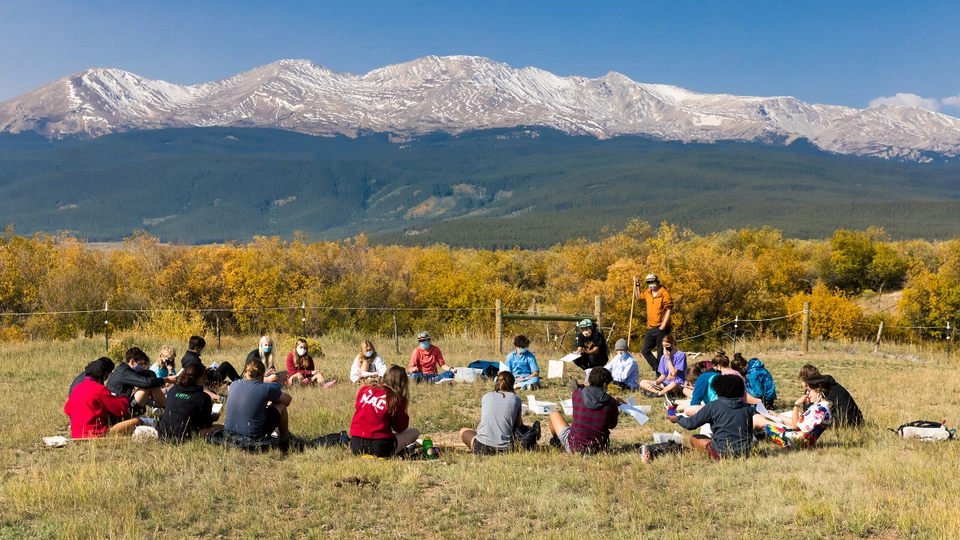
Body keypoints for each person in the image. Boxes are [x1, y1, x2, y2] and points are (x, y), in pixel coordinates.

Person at [668, 374, 754, 459]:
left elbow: (691, 424)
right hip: (745, 452)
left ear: (718, 389)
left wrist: (677, 418)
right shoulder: (747, 409)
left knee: (694, 438)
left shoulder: (713, 406)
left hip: (721, 452)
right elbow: (749, 433)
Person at [350, 365, 421, 457]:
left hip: (356, 443)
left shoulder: (365, 390)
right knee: (415, 432)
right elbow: (400, 428)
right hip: (380, 446)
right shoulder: (395, 399)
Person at [548, 367, 621, 454]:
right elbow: (612, 425)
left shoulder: (577, 394)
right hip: (599, 449)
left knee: (554, 414)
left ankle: (556, 441)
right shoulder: (611, 402)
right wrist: (614, 405)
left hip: (574, 447)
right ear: (605, 384)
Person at [64, 358, 141, 438]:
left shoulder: (77, 388)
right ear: (103, 375)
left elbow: (67, 410)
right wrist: (124, 397)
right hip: (97, 434)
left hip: (77, 434)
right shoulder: (99, 390)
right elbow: (120, 409)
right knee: (137, 421)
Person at [753, 374, 833, 450]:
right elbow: (798, 424)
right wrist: (777, 415)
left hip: (795, 441)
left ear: (818, 392)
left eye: (809, 390)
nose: (807, 394)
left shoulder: (819, 409)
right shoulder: (824, 406)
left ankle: (744, 442)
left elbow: (795, 426)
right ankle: (748, 439)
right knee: (763, 418)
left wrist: (796, 404)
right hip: (800, 439)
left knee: (757, 419)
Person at [223, 357, 293, 442]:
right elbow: (287, 400)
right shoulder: (265, 388)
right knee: (281, 405)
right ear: (263, 374)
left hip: (229, 433)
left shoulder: (234, 384)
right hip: (253, 435)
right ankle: (285, 437)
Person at [460, 371, 525, 454]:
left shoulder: (486, 396)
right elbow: (518, 425)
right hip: (505, 448)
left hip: (482, 446)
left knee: (463, 431)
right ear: (512, 384)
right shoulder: (516, 399)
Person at [156, 363, 223, 442]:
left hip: (162, 432)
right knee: (221, 427)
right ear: (201, 378)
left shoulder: (173, 390)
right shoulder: (203, 397)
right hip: (183, 435)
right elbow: (206, 424)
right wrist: (213, 417)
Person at [106, 346, 172, 416]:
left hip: (121, 404)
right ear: (132, 362)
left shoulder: (125, 368)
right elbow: (147, 383)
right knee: (149, 386)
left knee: (152, 385)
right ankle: (170, 410)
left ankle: (169, 409)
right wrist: (166, 380)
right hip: (119, 409)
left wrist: (154, 378)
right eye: (140, 364)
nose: (142, 367)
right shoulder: (125, 372)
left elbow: (149, 373)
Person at [634, 273, 674, 374]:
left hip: (662, 327)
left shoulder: (664, 292)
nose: (651, 284)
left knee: (661, 352)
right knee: (645, 350)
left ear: (657, 281)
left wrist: (663, 326)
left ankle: (661, 374)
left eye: (652, 282)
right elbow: (638, 297)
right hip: (651, 327)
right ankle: (658, 369)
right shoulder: (648, 292)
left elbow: (669, 309)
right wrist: (637, 284)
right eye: (649, 283)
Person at [798, 365, 863, 427]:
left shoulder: (819, 390)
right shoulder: (832, 385)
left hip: (840, 423)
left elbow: (807, 415)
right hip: (857, 420)